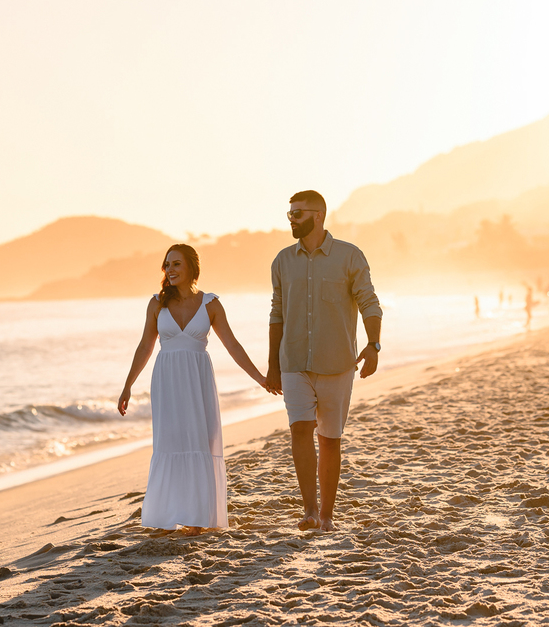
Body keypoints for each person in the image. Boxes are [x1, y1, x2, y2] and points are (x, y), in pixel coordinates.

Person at [118, 244, 269, 535]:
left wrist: (260, 378)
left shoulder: (210, 304)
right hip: (167, 379)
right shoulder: (156, 304)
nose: (170, 270)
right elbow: (145, 346)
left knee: (200, 441)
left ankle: (197, 517)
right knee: (171, 442)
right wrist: (128, 385)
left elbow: (233, 345)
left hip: (197, 379)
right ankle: (168, 514)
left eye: (176, 264)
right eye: (167, 265)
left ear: (191, 267)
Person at [265, 190, 382, 532]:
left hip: (338, 363)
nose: (291, 219)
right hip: (294, 363)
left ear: (318, 215)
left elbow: (369, 303)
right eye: (289, 214)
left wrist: (373, 345)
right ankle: (309, 511)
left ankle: (328, 515)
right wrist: (273, 365)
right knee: (300, 430)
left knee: (330, 439)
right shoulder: (282, 261)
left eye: (297, 214)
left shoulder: (349, 256)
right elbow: (277, 314)